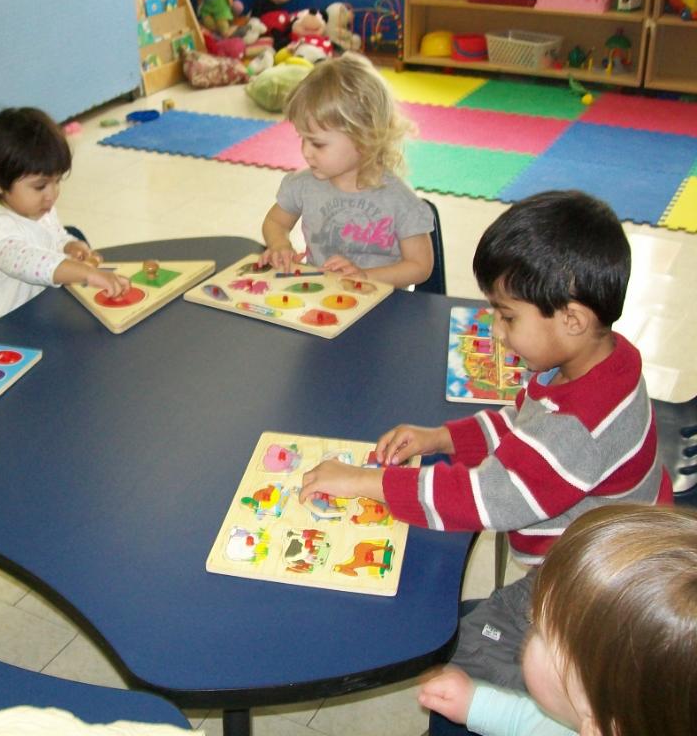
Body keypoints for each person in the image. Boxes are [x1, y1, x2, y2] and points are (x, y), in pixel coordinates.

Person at [299, 190, 672, 691]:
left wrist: (368, 482)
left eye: (508, 317)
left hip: (596, 595)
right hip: (616, 554)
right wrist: (441, 438)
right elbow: (523, 426)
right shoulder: (599, 359)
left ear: (573, 319)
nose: (497, 333)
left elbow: (487, 498)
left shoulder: (576, 427)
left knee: (455, 667)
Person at [418, 504, 697, 736]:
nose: (528, 620)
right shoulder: (597, 717)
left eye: (538, 627)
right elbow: (535, 722)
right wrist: (475, 703)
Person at [259, 52, 434, 287]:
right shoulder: (302, 185)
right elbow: (275, 222)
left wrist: (364, 276)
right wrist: (280, 245)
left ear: (364, 138)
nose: (306, 152)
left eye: (318, 144)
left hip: (382, 306)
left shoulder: (399, 200)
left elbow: (420, 266)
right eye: (303, 138)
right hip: (322, 300)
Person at [0, 106, 128, 326]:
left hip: (36, 312)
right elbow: (31, 262)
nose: (52, 195)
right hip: (0, 330)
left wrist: (68, 245)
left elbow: (54, 235)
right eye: (40, 186)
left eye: (57, 181)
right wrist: (87, 274)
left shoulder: (37, 207)